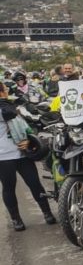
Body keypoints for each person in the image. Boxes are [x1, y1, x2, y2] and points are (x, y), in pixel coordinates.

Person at [0, 82, 56, 231]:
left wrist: (28, 139)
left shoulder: (10, 106)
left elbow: (24, 125)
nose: (7, 92)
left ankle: (47, 213)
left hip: (22, 153)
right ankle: (16, 219)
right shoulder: (6, 108)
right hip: (3, 157)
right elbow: (8, 113)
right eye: (5, 90)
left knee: (34, 183)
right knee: (9, 187)